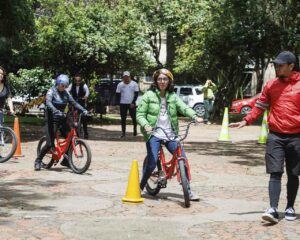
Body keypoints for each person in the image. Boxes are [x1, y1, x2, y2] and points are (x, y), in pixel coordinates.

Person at [229, 51, 300, 224]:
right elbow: (260, 106)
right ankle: (273, 209)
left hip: (297, 137)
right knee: (275, 172)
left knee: (293, 173)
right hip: (275, 135)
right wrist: (246, 120)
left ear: (291, 66)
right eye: (276, 64)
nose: (277, 67)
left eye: (281, 65)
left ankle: (290, 207)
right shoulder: (271, 85)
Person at [137, 68, 203, 201]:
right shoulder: (148, 96)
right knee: (152, 162)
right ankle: (140, 187)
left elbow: (184, 108)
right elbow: (139, 114)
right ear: (156, 81)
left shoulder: (172, 96)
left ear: (169, 81)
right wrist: (146, 125)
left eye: (165, 79)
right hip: (153, 133)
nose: (162, 81)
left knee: (182, 158)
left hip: (170, 133)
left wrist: (195, 116)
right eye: (159, 79)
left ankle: (188, 191)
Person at [34, 74, 88, 171]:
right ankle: (38, 161)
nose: (64, 87)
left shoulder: (66, 93)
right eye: (62, 85)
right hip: (52, 118)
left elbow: (74, 103)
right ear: (58, 84)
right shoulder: (51, 91)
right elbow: (48, 103)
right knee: (50, 144)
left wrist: (83, 110)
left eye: (66, 86)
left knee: (72, 136)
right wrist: (55, 110)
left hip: (63, 117)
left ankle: (66, 161)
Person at [116, 71, 139, 138]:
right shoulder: (120, 85)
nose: (126, 78)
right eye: (124, 77)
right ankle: (123, 133)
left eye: (127, 77)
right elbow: (117, 94)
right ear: (123, 77)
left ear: (130, 77)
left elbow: (136, 94)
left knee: (134, 117)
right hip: (123, 103)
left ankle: (135, 130)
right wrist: (118, 103)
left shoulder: (134, 84)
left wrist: (133, 102)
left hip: (131, 103)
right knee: (123, 118)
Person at [68, 73, 90, 139]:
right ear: (74, 80)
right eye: (76, 80)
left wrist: (86, 96)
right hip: (74, 102)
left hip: (81, 102)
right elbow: (67, 91)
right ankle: (75, 133)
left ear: (81, 80)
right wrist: (68, 96)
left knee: (84, 117)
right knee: (72, 117)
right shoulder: (71, 85)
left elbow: (87, 92)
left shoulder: (84, 85)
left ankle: (86, 133)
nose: (77, 82)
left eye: (79, 80)